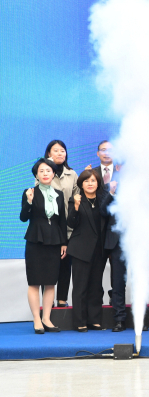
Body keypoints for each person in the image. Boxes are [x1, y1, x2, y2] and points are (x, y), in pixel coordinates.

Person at [20, 158, 67, 334]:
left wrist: (64, 243)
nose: (45, 173)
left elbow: (62, 220)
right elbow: (23, 218)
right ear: (36, 175)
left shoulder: (59, 194)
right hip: (35, 241)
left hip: (54, 241)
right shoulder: (29, 192)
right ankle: (37, 319)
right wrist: (29, 202)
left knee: (50, 282)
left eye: (48, 170)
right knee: (34, 282)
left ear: (53, 174)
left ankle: (47, 318)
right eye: (41, 171)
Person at [66, 169, 108, 332]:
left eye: (93, 181)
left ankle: (94, 320)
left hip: (99, 250)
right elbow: (71, 223)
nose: (90, 184)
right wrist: (76, 207)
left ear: (98, 183)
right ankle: (80, 321)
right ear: (81, 184)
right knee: (80, 287)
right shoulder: (75, 199)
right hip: (80, 250)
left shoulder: (103, 200)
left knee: (96, 286)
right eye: (86, 181)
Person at [41, 140, 79, 308]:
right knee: (48, 267)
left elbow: (78, 198)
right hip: (49, 228)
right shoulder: (43, 173)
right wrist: (48, 167)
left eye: (62, 150)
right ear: (49, 154)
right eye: (55, 150)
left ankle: (62, 299)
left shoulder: (72, 174)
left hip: (68, 228)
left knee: (65, 265)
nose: (59, 153)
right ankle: (47, 303)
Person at [86, 140, 119, 306]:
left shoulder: (122, 172)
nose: (107, 153)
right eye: (103, 150)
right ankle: (95, 305)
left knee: (118, 271)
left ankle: (116, 301)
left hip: (117, 230)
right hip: (96, 230)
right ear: (98, 153)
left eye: (110, 150)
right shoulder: (91, 174)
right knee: (96, 270)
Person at [99, 185, 128, 332]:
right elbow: (103, 211)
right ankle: (119, 319)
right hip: (116, 243)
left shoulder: (141, 187)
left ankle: (141, 319)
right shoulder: (109, 188)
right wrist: (111, 192)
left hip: (137, 242)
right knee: (118, 283)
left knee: (139, 282)